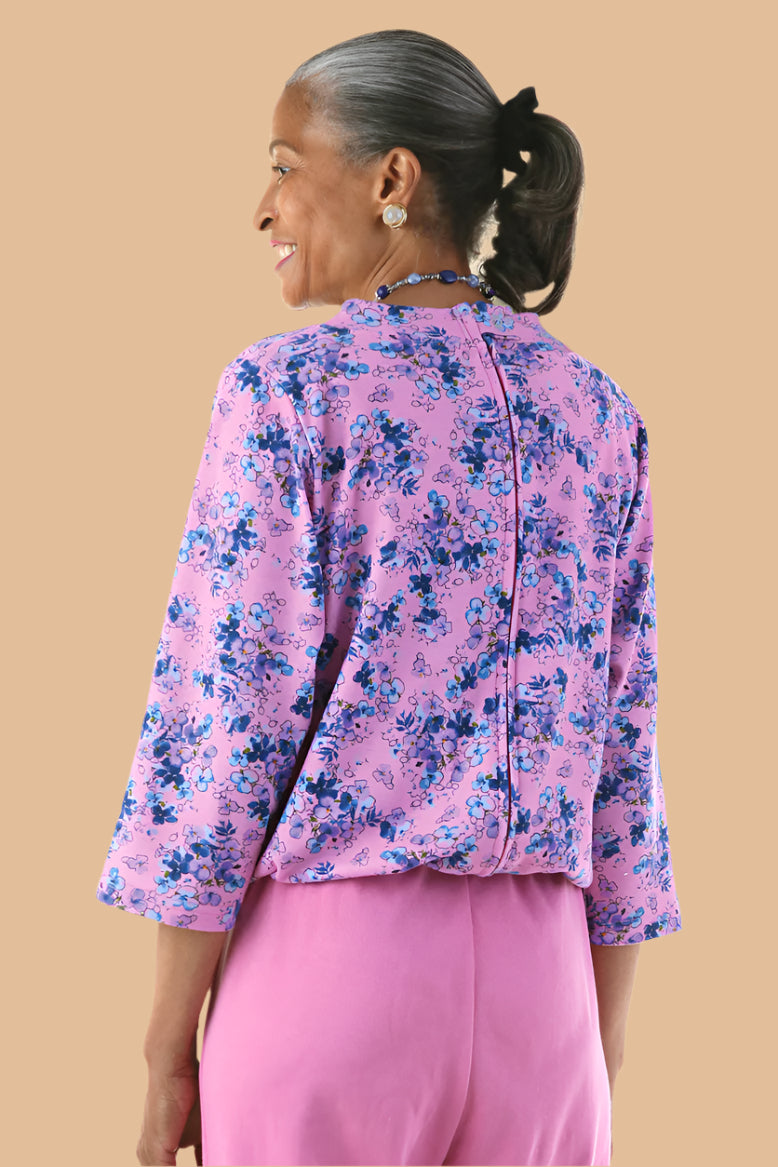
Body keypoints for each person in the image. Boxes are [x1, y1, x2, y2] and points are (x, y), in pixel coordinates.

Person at [96, 28, 682, 1167]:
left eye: (284, 163)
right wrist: (595, 1041)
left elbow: (224, 731)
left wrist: (168, 1046)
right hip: (548, 1003)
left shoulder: (289, 393)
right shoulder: (597, 411)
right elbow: (624, 748)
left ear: (392, 179)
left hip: (333, 987)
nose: (263, 207)